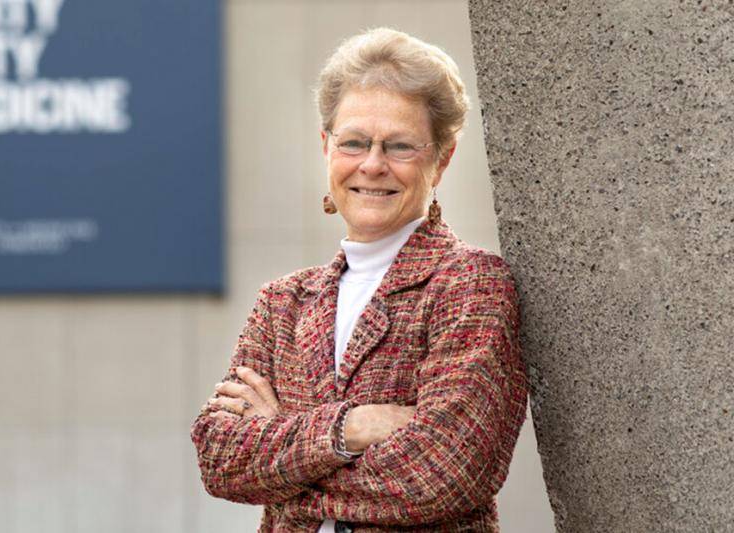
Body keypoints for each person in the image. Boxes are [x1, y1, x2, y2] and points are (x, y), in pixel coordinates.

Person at [191, 27, 528, 532]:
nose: (372, 165)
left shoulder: (470, 284)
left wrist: (283, 455)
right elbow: (220, 459)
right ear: (326, 146)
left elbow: (445, 473)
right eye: (354, 142)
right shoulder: (281, 304)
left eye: (399, 146)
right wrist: (353, 426)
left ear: (442, 158)